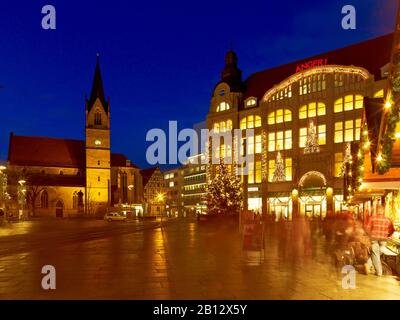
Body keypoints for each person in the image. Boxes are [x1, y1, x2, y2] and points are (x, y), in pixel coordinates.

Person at [364, 206, 395, 276]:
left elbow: (367, 229)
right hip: (383, 240)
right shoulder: (388, 219)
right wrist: (387, 235)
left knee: (375, 254)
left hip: (374, 239)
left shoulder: (372, 218)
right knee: (377, 254)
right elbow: (392, 230)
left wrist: (369, 235)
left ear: (377, 211)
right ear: (383, 211)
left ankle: (370, 266)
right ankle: (378, 271)